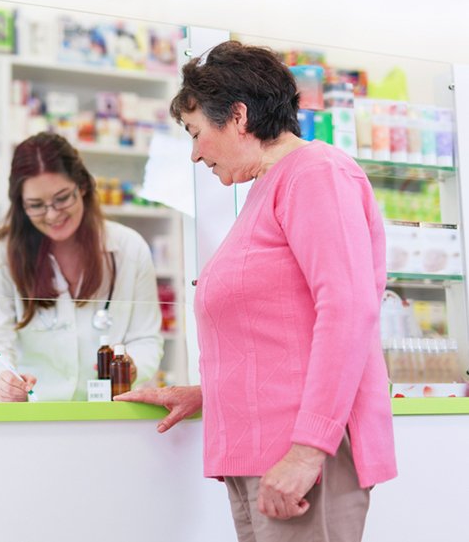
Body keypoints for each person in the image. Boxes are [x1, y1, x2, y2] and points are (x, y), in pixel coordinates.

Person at [116, 41, 397, 541]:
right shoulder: (267, 188)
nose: (195, 152)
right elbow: (282, 334)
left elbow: (348, 312)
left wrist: (309, 449)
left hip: (302, 456)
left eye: (197, 132)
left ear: (239, 116)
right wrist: (209, 395)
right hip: (263, 453)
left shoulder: (316, 174)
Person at [0, 132, 163, 401]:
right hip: (30, 417)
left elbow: (146, 339)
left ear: (82, 185)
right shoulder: (0, 254)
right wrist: (0, 382)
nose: (52, 214)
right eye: (36, 205)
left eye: (62, 198)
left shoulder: (129, 248)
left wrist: (131, 368)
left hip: (105, 417)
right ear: (21, 205)